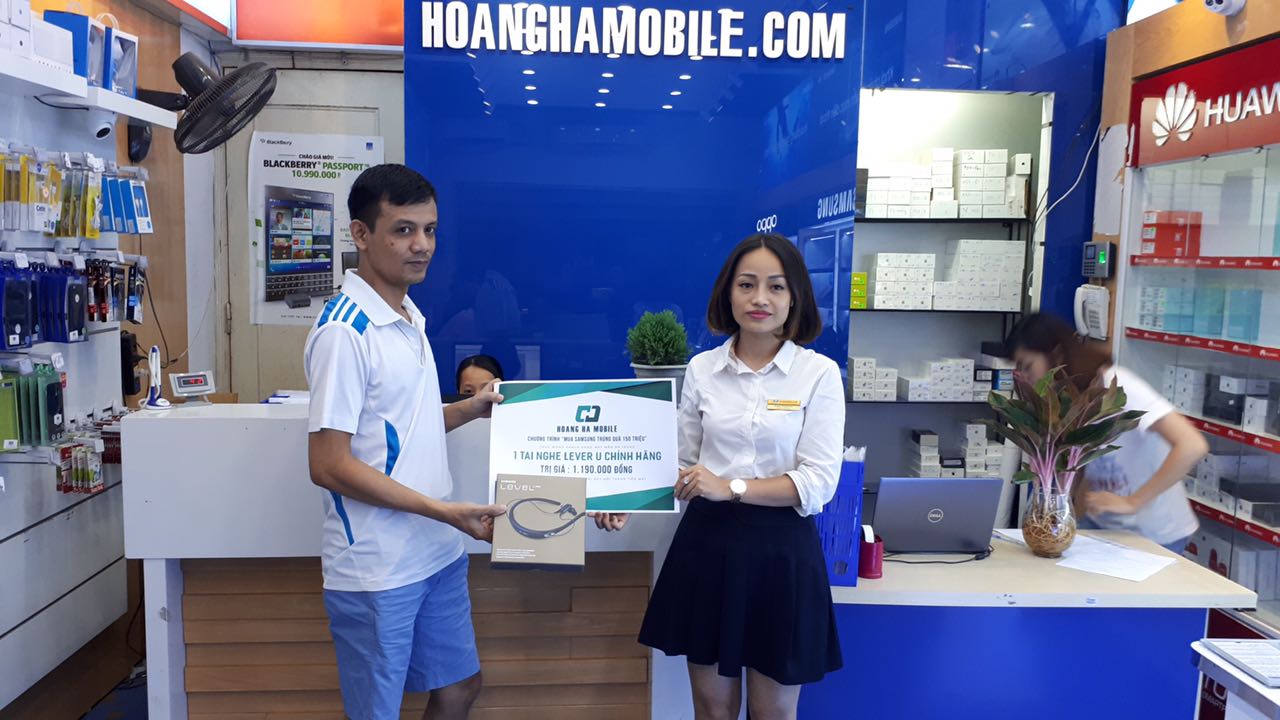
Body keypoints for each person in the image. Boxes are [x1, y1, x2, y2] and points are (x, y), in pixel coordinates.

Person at [596, 233, 846, 720]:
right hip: (708, 547)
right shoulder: (702, 369)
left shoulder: (818, 374)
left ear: (795, 296)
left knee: (774, 712)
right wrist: (629, 498)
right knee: (712, 710)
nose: (759, 298)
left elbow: (817, 482)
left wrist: (729, 487)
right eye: (746, 285)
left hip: (781, 553)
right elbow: (679, 460)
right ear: (728, 293)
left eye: (775, 286)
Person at [304, 164, 507, 720]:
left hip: (435, 553)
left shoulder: (408, 316)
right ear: (361, 233)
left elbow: (399, 426)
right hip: (379, 567)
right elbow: (328, 464)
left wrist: (468, 409)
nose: (422, 245)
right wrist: (445, 511)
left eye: (430, 230)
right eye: (403, 230)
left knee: (459, 688)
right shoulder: (345, 331)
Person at [1003, 312, 1209, 554]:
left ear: (1056, 354)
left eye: (1028, 366)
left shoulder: (1118, 385)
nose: (1025, 377)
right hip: (1105, 527)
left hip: (1155, 533)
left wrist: (1133, 502)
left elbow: (1192, 445)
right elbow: (1078, 469)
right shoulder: (1067, 400)